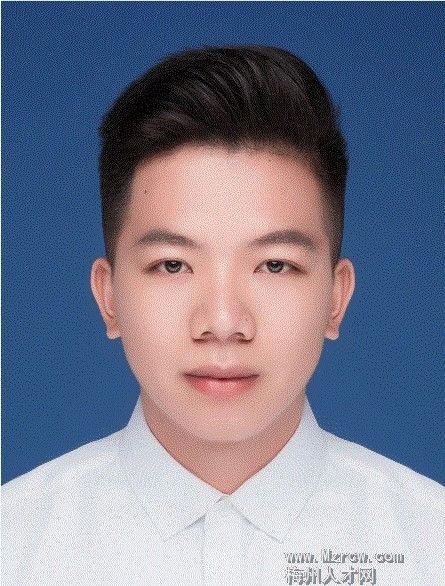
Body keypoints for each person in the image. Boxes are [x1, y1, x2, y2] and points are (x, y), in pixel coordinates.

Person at [2, 45, 443, 586]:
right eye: (173, 265)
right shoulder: (15, 545)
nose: (224, 322)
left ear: (336, 297)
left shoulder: (430, 545)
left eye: (275, 265)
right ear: (109, 295)